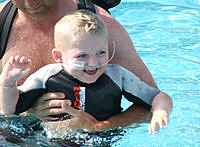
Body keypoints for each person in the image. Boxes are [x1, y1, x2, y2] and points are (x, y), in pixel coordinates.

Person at [0, 10, 173, 134]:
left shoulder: (117, 76)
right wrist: (8, 84)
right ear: (58, 56)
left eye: (101, 53)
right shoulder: (46, 76)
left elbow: (157, 96)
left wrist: (160, 110)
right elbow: (10, 109)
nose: (93, 63)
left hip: (101, 140)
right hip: (48, 142)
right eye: (82, 55)